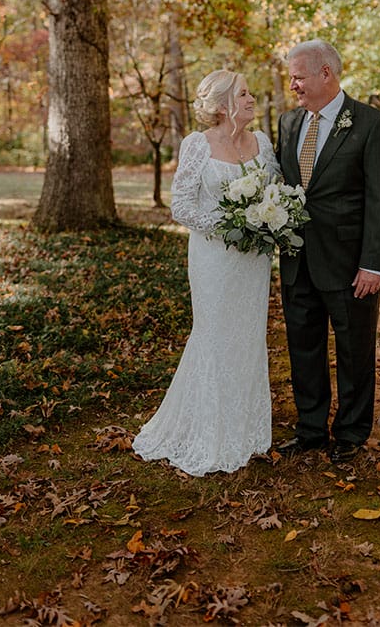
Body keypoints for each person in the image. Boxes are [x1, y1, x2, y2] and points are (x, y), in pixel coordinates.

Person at [132, 69, 280, 476]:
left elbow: (276, 192)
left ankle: (246, 430)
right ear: (222, 104)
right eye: (245, 94)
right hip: (214, 257)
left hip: (253, 261)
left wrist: (265, 222)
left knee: (248, 337)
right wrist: (229, 227)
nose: (252, 100)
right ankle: (210, 433)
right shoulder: (197, 144)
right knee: (215, 336)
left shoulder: (262, 143)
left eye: (251, 93)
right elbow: (180, 205)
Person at [275, 40, 380, 464]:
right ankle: (310, 429)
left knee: (354, 349)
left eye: (298, 76)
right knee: (302, 348)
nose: (293, 85)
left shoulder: (370, 123)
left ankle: (350, 431)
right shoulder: (288, 124)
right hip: (297, 260)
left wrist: (373, 264)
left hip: (350, 264)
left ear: (325, 73)